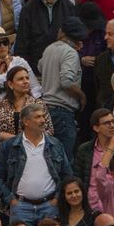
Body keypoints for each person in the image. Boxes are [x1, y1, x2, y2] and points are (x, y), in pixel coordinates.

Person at [0, 101, 73, 226]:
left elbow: (67, 175)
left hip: (50, 205)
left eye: (43, 117)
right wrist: (11, 200)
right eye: (38, 117)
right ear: (26, 122)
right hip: (20, 206)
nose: (43, 120)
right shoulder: (8, 146)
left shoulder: (55, 144)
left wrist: (57, 198)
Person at [38, 17, 88, 161]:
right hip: (63, 112)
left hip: (46, 110)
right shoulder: (71, 53)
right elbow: (66, 82)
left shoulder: (49, 48)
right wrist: (81, 96)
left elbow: (41, 67)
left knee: (49, 158)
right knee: (64, 159)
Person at [16, 0, 77, 71]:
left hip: (62, 67)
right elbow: (22, 41)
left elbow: (74, 37)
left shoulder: (68, 7)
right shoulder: (28, 9)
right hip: (36, 67)